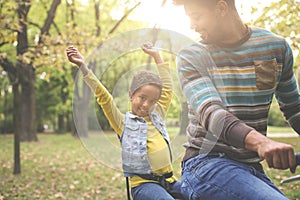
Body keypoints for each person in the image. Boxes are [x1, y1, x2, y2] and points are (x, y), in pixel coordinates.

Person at [173, 0, 300, 199]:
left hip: (251, 167)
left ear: (221, 8)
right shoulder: (192, 56)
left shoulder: (275, 48)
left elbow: (294, 108)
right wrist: (261, 143)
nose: (192, 25)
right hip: (206, 163)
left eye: (196, 16)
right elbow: (213, 115)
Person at [66, 43, 184, 200]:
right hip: (144, 186)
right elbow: (105, 98)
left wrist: (157, 56)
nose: (146, 105)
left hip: (169, 181)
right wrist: (83, 66)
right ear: (131, 95)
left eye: (152, 101)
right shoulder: (123, 123)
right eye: (142, 98)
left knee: (199, 194)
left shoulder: (158, 114)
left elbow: (167, 88)